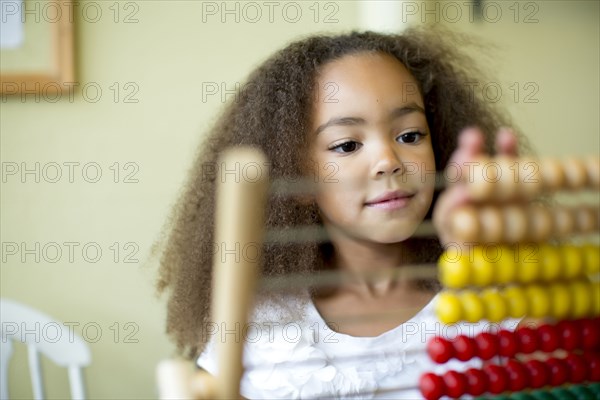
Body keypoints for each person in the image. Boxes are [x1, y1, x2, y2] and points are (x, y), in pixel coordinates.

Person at [154, 27, 524, 399]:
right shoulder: (256, 326)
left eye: (410, 136)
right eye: (347, 145)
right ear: (296, 176)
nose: (387, 162)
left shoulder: (492, 302)